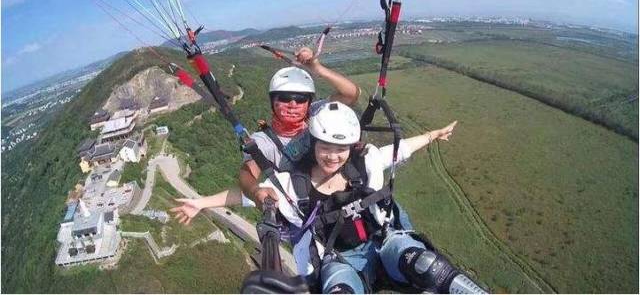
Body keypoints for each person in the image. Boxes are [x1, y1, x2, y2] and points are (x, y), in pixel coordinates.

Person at [252, 101, 485, 293]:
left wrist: (433, 135)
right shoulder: (292, 186)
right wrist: (257, 194)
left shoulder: (363, 163)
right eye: (325, 147)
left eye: (340, 148)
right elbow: (246, 195)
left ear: (351, 148)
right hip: (338, 260)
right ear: (313, 144)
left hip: (383, 242)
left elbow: (400, 150)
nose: (333, 156)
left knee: (428, 266)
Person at [171, 47, 360, 223]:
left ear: (309, 102)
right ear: (273, 102)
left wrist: (317, 68)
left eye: (301, 99)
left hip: (347, 196)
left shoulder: (317, 114)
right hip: (312, 213)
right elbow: (248, 177)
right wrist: (254, 192)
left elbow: (351, 94)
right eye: (285, 98)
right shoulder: (263, 142)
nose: (293, 105)